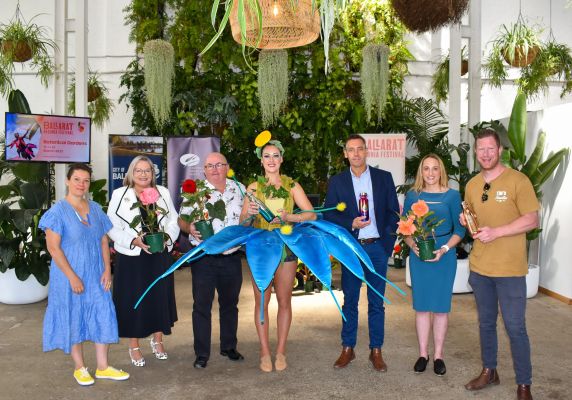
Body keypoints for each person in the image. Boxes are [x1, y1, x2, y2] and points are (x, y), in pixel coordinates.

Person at [461, 129, 538, 400]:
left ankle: (524, 384)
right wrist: (467, 222)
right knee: (485, 324)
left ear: (500, 150)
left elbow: (532, 220)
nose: (485, 154)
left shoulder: (518, 180)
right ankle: (489, 371)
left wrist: (498, 232)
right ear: (476, 152)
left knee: (515, 326)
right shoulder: (471, 185)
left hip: (509, 270)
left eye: (490, 149)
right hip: (481, 268)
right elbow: (476, 223)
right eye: (480, 149)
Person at [39, 163, 129, 386]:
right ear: (67, 181)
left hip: (96, 274)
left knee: (102, 312)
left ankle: (103, 367)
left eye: (86, 180)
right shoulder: (57, 212)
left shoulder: (96, 208)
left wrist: (108, 270)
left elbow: (103, 239)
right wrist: (72, 276)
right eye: (77, 179)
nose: (82, 184)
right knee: (73, 315)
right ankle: (80, 368)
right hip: (69, 275)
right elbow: (54, 248)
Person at [323, 134, 400, 371]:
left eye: (360, 149)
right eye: (351, 150)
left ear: (366, 152)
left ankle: (376, 350)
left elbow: (393, 213)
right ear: (345, 154)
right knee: (351, 301)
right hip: (352, 249)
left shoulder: (383, 178)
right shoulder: (337, 182)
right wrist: (351, 223)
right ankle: (348, 348)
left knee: (376, 303)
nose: (356, 154)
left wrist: (387, 243)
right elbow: (329, 214)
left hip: (377, 247)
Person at [239, 136, 316, 372]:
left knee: (284, 301)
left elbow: (311, 214)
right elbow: (243, 223)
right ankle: (264, 351)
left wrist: (289, 217)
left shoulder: (292, 186)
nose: (271, 160)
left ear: (281, 159)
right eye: (266, 156)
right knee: (262, 302)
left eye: (275, 156)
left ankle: (281, 350)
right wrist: (251, 214)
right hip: (260, 250)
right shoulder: (253, 188)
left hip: (285, 250)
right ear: (261, 161)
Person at [107, 155, 180, 367]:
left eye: (147, 170)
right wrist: (133, 241)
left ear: (153, 173)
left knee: (159, 297)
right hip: (132, 258)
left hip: (159, 255)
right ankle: (134, 345)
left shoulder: (163, 192)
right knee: (133, 301)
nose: (143, 174)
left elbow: (173, 220)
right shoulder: (120, 194)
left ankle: (157, 341)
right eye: (138, 170)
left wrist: (166, 240)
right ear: (131, 173)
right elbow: (111, 225)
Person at [178, 152, 246, 369]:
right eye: (211, 165)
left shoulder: (240, 189)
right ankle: (201, 353)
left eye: (220, 164)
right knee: (201, 306)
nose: (216, 169)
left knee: (230, 305)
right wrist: (189, 227)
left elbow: (249, 217)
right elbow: (181, 219)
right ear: (204, 170)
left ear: (227, 167)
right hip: (203, 257)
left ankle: (228, 346)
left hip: (232, 257)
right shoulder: (196, 191)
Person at [402, 154, 465, 376]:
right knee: (421, 307)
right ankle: (422, 354)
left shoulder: (452, 196)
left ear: (441, 172)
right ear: (421, 171)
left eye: (435, 169)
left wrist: (446, 248)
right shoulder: (413, 195)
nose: (430, 173)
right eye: (426, 169)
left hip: (444, 254)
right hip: (420, 254)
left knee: (440, 308)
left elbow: (460, 230)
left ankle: (438, 355)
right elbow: (405, 227)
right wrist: (413, 246)